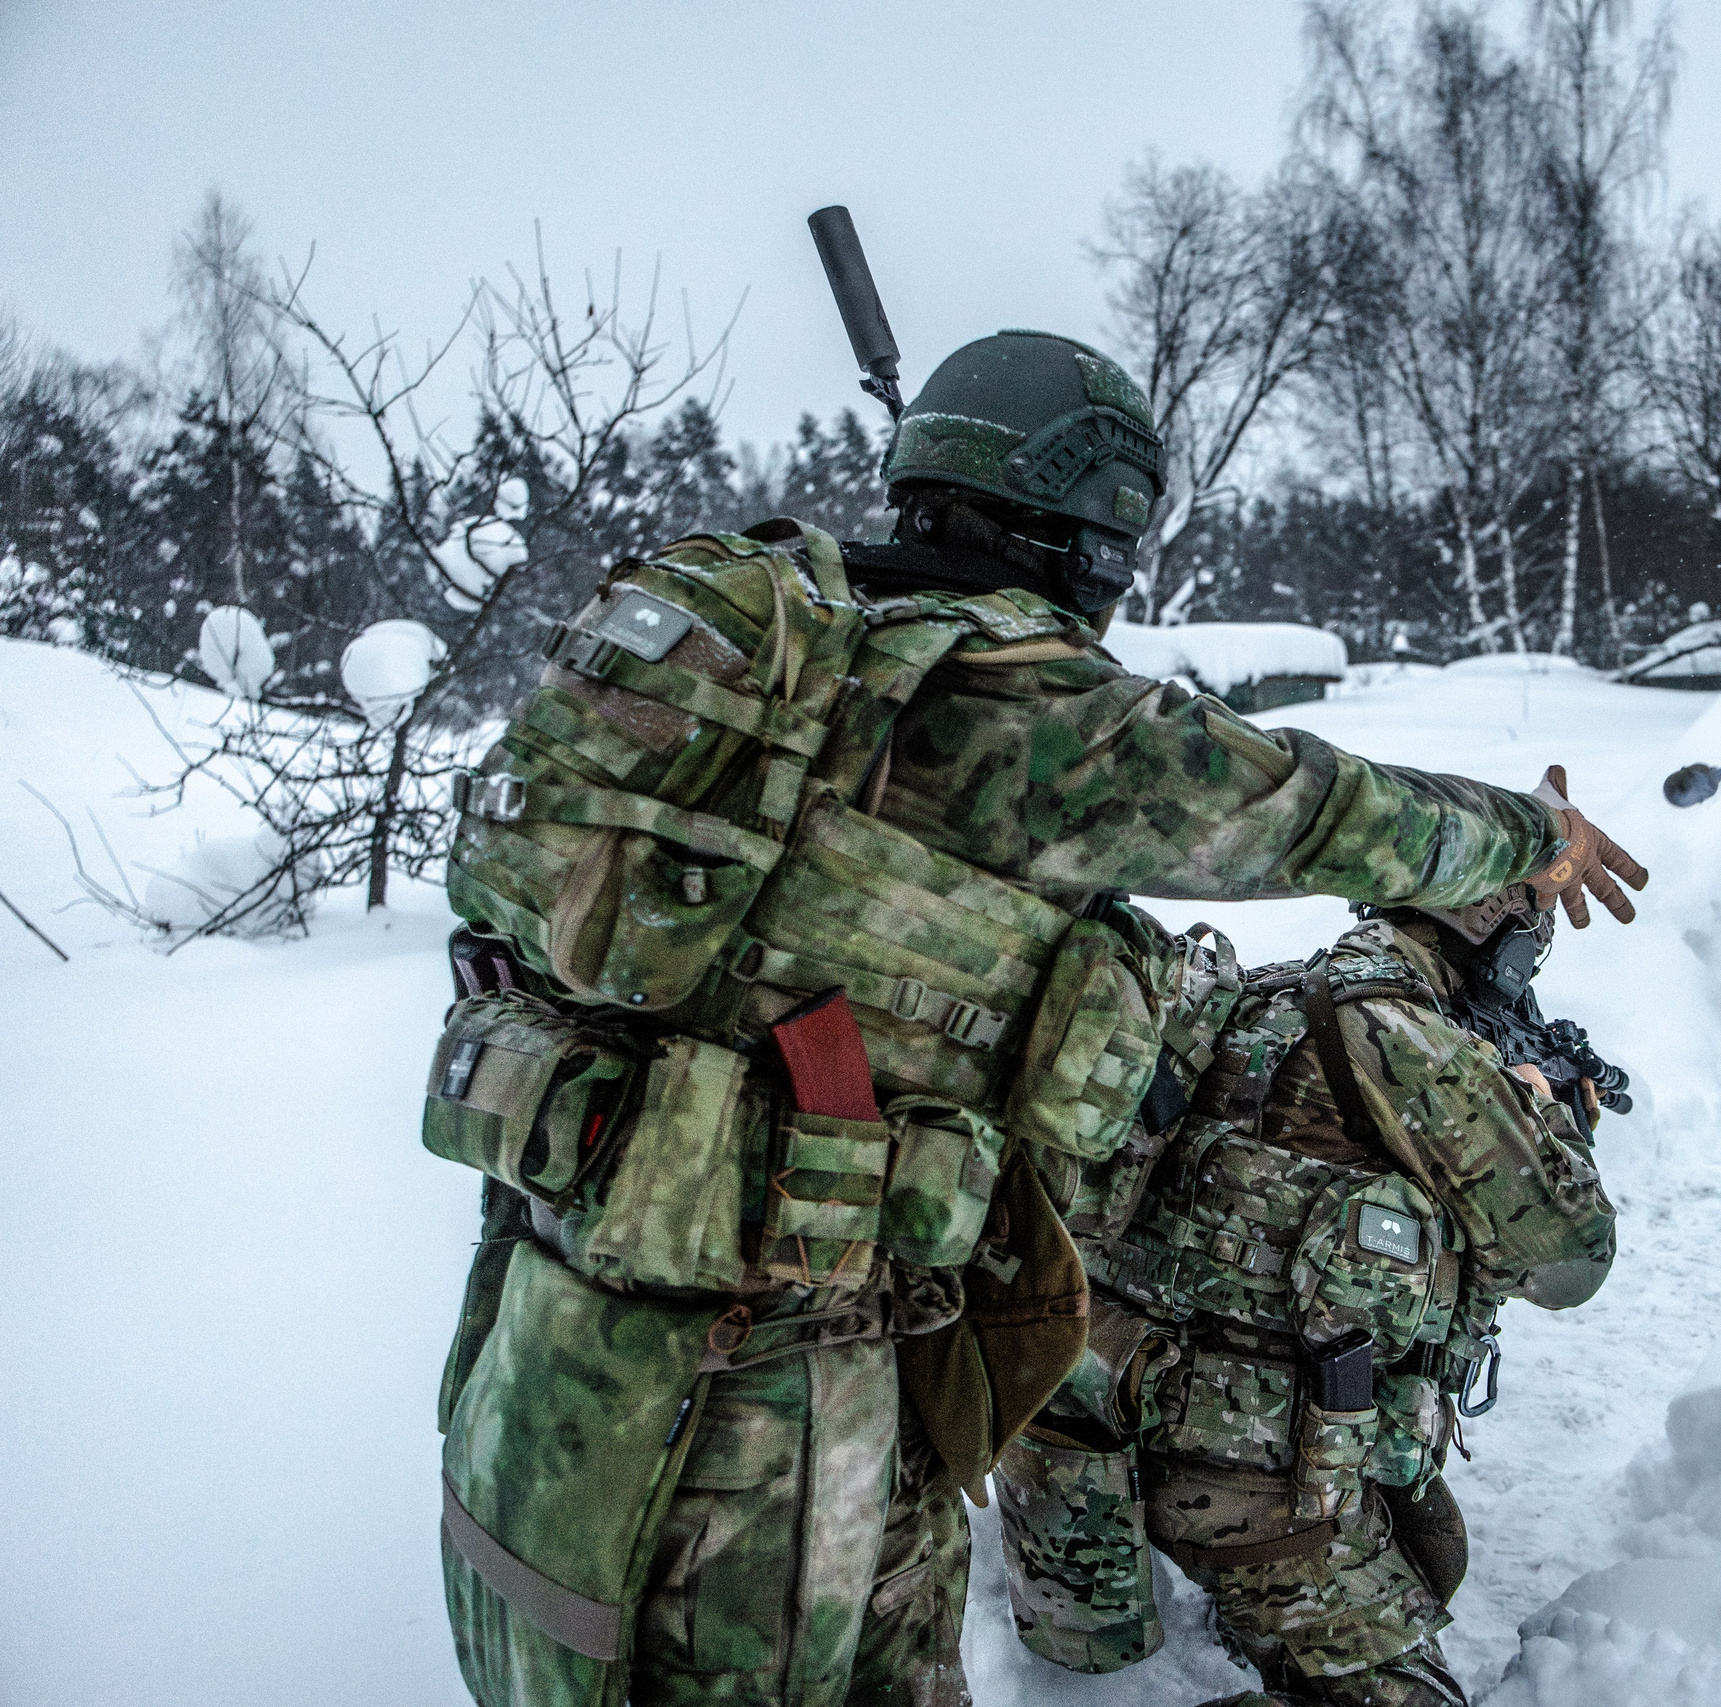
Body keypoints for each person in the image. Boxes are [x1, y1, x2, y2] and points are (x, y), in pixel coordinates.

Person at [425, 328, 1649, 1707]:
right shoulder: (1008, 705)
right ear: (1099, 535)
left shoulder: (776, 657)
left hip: (559, 1295)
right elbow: (1319, 810)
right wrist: (1533, 833)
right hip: (775, 1377)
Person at [994, 883, 1621, 1706]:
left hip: (1121, 1427)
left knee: (1431, 1553)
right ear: (1500, 942)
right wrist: (1547, 1116)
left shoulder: (1267, 993)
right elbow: (1573, 1257)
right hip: (1255, 1488)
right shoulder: (1409, 1040)